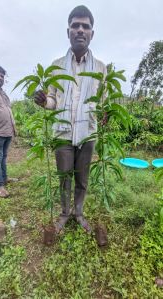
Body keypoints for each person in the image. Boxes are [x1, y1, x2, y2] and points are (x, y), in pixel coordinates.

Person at [34, 5, 106, 233]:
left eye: (86, 26)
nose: (80, 30)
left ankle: (79, 212)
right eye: (75, 25)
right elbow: (53, 100)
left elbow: (102, 102)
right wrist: (45, 101)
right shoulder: (56, 67)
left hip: (87, 135)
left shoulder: (101, 68)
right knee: (64, 177)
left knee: (82, 179)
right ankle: (65, 213)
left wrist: (106, 115)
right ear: (68, 32)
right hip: (63, 135)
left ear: (92, 33)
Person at [0, 64, 16, 198]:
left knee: (4, 157)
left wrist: (14, 127)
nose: (0, 78)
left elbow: (7, 110)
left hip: (7, 132)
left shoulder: (2, 92)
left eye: (2, 76)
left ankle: (4, 178)